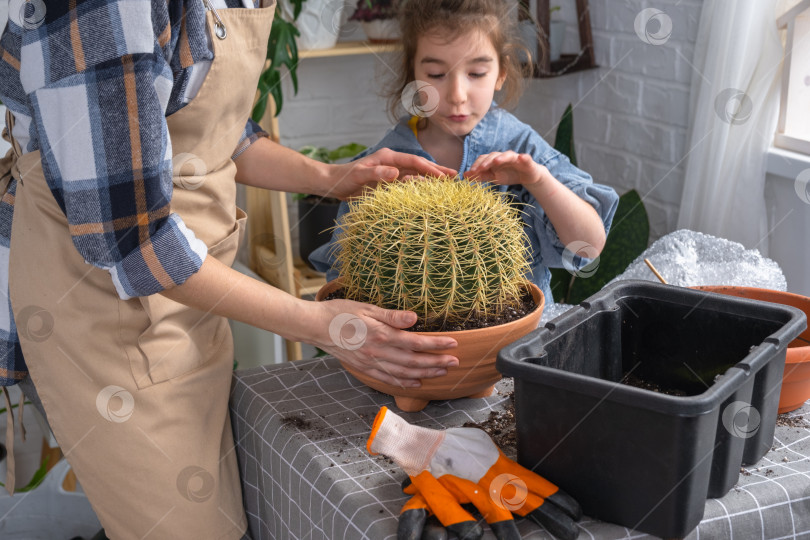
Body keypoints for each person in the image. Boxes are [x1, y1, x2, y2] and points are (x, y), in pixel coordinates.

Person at [0, 1, 460, 538]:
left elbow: (212, 128)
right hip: (105, 315)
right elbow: (132, 240)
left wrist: (331, 177)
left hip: (191, 298)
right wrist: (318, 324)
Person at [310, 0, 620, 304]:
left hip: (523, 336)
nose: (457, 95)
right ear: (412, 75)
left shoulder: (523, 149)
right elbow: (346, 278)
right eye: (436, 74)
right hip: (404, 336)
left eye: (476, 73)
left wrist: (538, 180)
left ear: (501, 73)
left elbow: (588, 246)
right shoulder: (382, 163)